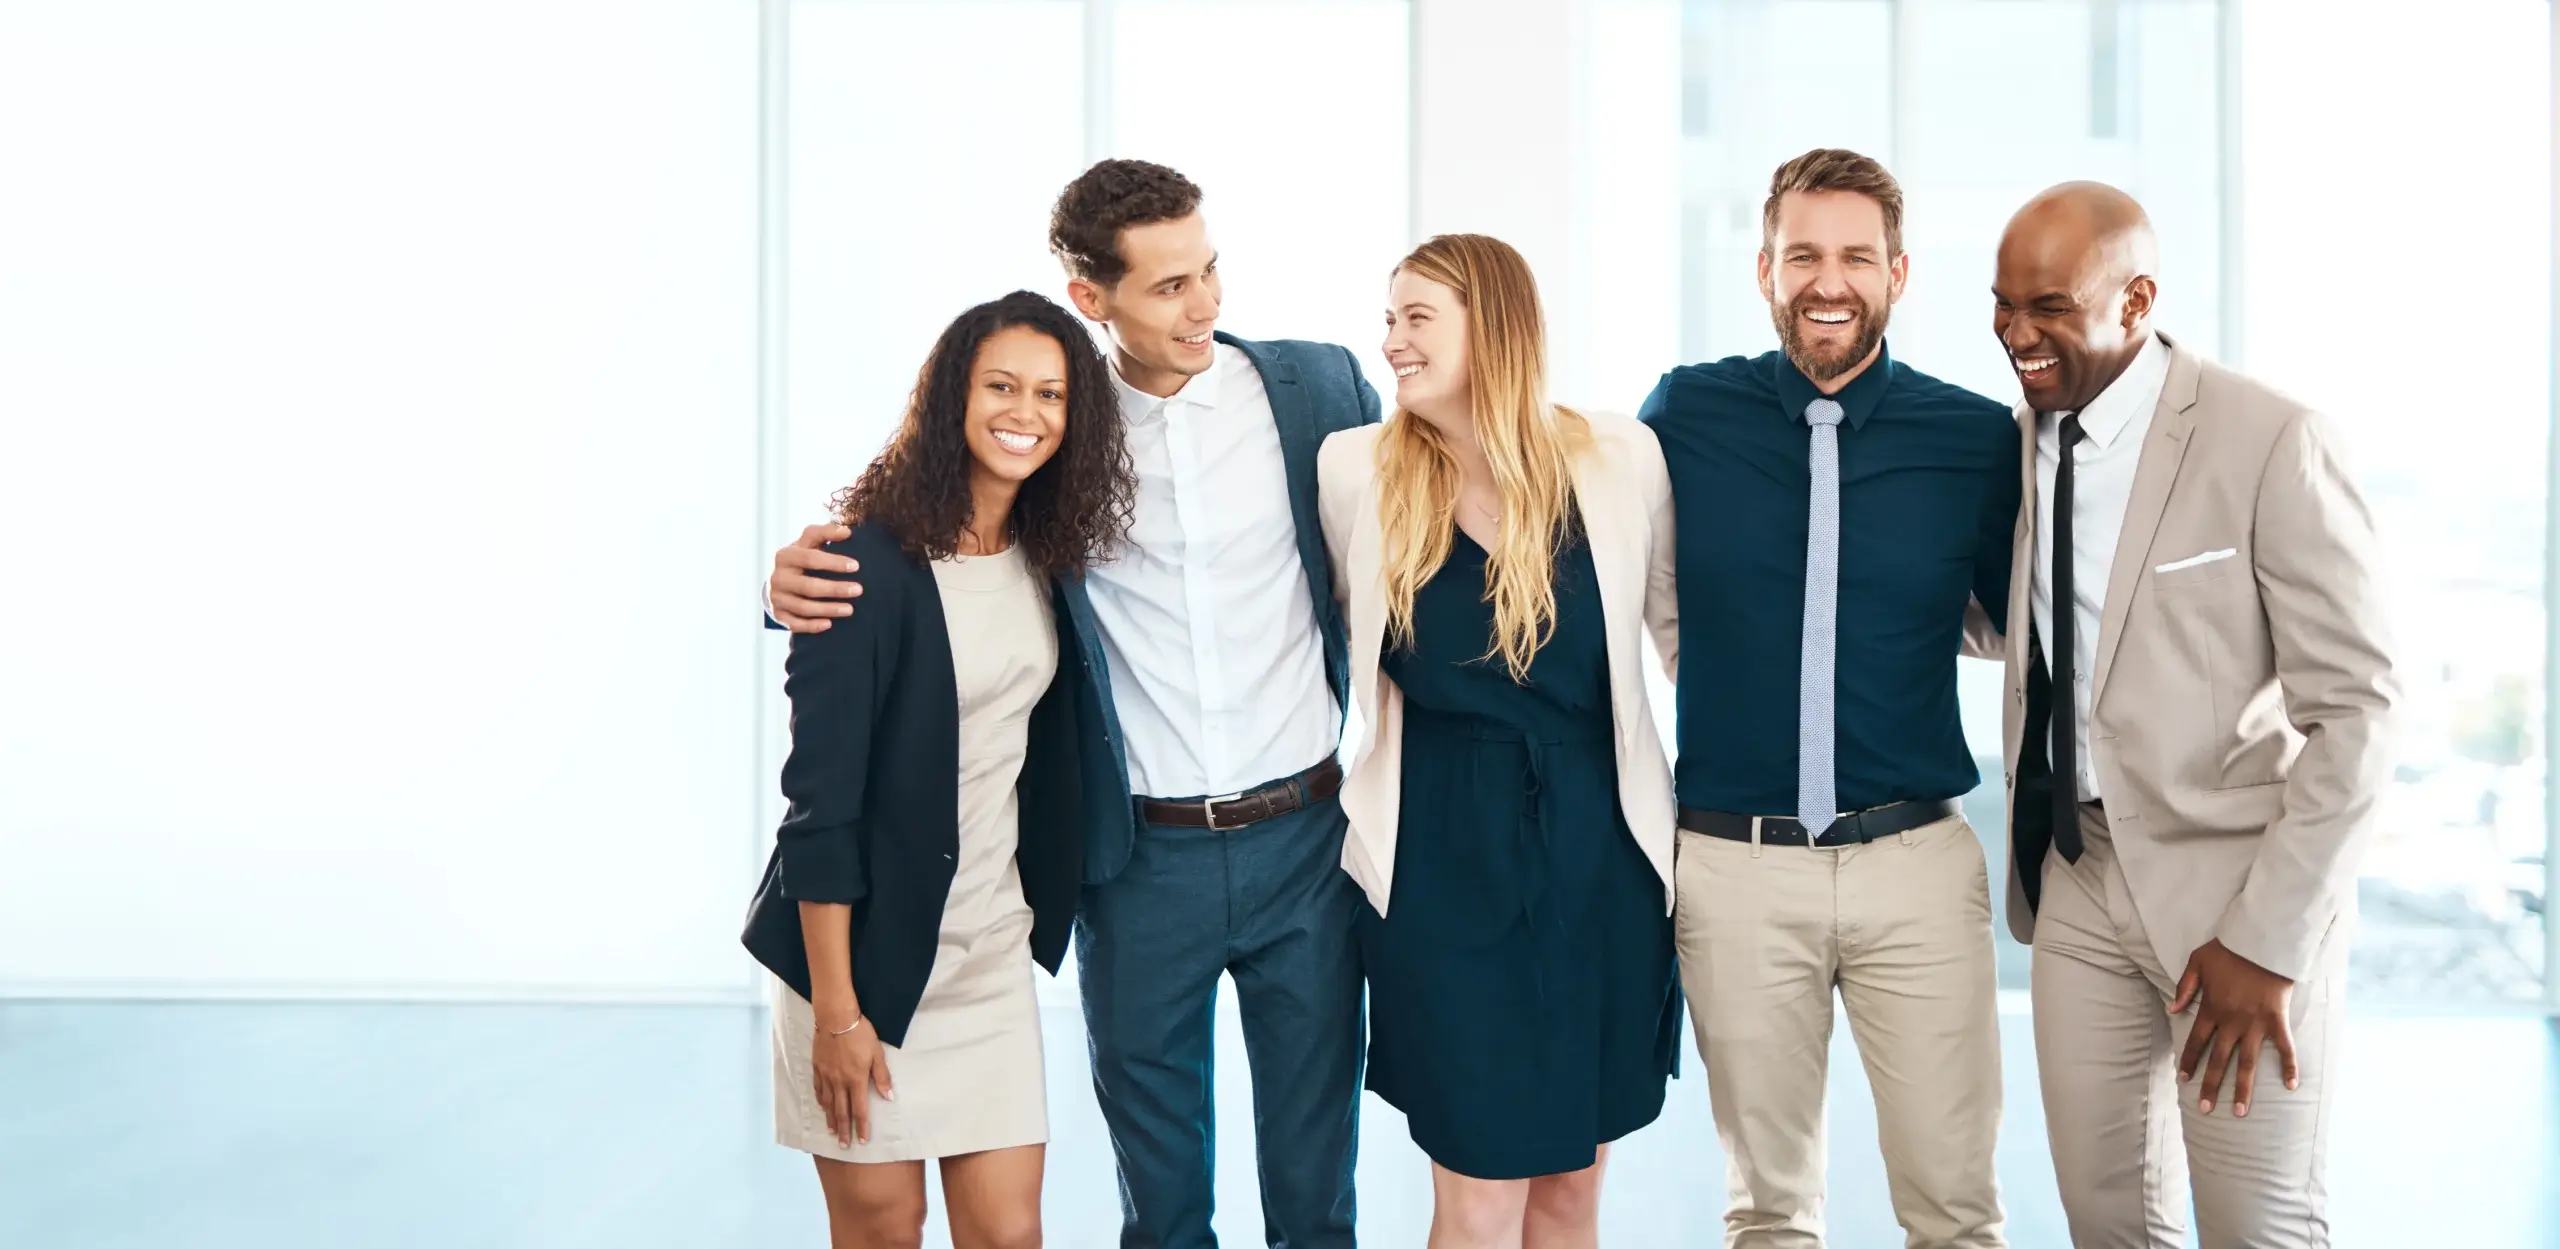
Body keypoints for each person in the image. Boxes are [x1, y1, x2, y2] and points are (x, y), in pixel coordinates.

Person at [765, 160, 1377, 1248]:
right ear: (1093, 298)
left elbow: (1420, 527)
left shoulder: (1318, 393)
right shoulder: (1062, 435)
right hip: (1139, 865)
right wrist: (790, 589)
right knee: (1162, 1197)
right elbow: (932, 537)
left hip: (1305, 846)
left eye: (1210, 271)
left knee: (1316, 1184)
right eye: (1168, 287)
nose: (1206, 306)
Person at [1990, 181, 2396, 1249]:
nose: (2016, 335)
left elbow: (2357, 709)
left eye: (2046, 307)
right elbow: (2025, 621)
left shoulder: (2269, 440)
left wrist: (2266, 945)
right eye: (2001, 306)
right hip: (2075, 880)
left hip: (2236, 895)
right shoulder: (2021, 440)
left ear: (2134, 302)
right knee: (2105, 1217)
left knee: (2256, 1227)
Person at [1637, 148, 2016, 1249]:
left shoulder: (1971, 437)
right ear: (1764, 270)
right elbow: (1649, 591)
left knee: (1956, 1208)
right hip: (1734, 867)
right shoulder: (1685, 411)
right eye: (1803, 254)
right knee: (1767, 1212)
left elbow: (2005, 623)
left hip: (1916, 866)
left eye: (1855, 255)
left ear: (1898, 271)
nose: (1828, 280)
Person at [741, 289, 1137, 1249]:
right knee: (886, 1230)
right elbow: (818, 812)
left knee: (1008, 1234)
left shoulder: (1050, 557)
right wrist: (838, 1014)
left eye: (1051, 394)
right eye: (1001, 385)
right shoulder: (860, 565)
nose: (1026, 412)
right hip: (862, 964)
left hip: (988, 955)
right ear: (952, 396)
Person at [1317, 234, 1683, 1248]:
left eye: (1416, 318)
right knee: (1476, 1195)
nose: (1390, 340)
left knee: (1569, 1186)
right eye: (1388, 318)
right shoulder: (1356, 470)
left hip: (1598, 862)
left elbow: (1677, 638)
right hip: (1440, 864)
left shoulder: (1618, 459)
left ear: (1496, 325)